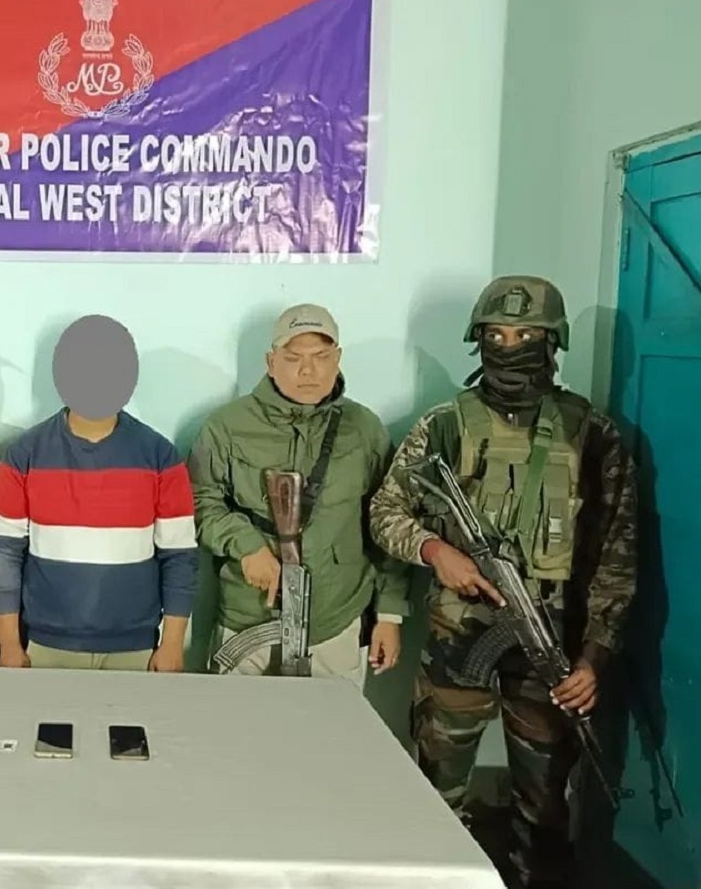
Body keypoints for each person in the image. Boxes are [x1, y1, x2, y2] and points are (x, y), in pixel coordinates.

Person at [368, 275, 638, 888]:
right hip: (459, 632)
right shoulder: (445, 424)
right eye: (496, 335)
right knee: (435, 788)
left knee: (546, 798)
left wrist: (595, 654)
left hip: (551, 637)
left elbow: (617, 556)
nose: (509, 346)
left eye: (525, 335)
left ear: (552, 342)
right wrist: (435, 550)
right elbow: (386, 511)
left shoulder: (591, 433)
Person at [188, 304, 409, 686]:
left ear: (337, 359)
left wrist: (389, 614)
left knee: (330, 726)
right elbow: (197, 501)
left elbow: (389, 522)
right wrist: (246, 545)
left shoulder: (364, 430)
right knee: (235, 724)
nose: (308, 371)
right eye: (293, 358)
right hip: (248, 617)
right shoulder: (226, 427)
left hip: (335, 622)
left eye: (321, 357)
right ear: (271, 361)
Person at [0, 315, 198, 671]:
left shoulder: (161, 456)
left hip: (136, 649)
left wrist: (173, 645)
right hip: (46, 646)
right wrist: (9, 645)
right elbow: (5, 553)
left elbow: (179, 557)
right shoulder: (23, 455)